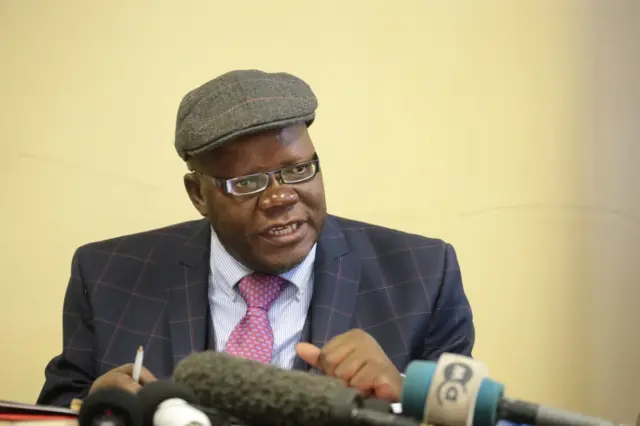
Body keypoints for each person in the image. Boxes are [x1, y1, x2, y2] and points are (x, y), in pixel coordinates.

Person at [37, 69, 475, 408]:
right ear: (198, 195)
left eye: (299, 169)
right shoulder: (107, 275)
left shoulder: (422, 274)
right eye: (248, 183)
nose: (281, 197)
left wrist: (400, 395)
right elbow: (52, 410)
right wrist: (95, 408)